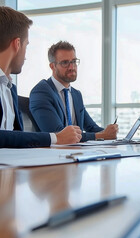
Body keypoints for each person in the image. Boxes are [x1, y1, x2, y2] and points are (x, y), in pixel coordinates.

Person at [0, 6, 82, 148]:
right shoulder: (42, 90)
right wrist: (55, 138)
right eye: (26, 45)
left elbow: (17, 137)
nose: (25, 56)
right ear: (17, 44)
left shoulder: (10, 88)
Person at [29, 41, 118, 142]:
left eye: (74, 61)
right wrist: (101, 135)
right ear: (52, 66)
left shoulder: (76, 94)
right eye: (65, 63)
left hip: (77, 152)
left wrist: (110, 133)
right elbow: (58, 133)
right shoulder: (41, 92)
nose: (72, 67)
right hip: (54, 154)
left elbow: (92, 128)